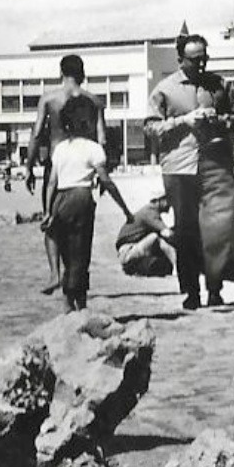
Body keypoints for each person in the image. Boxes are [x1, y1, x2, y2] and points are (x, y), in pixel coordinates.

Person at [145, 32, 234, 310]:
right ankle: (191, 291)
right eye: (194, 60)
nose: (201, 65)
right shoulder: (164, 89)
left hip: (216, 164)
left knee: (219, 228)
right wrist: (183, 121)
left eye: (205, 58)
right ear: (180, 60)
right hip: (179, 166)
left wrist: (223, 120)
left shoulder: (219, 85)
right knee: (186, 230)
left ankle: (215, 288)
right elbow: (150, 128)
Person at [31, 53, 110, 296]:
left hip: (57, 164)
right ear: (82, 74)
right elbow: (102, 138)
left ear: (61, 73)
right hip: (84, 166)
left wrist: (27, 167)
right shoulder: (94, 101)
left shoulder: (49, 98)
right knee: (81, 231)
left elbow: (35, 134)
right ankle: (77, 285)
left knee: (52, 223)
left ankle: (55, 273)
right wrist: (101, 171)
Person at [48, 94, 132, 311]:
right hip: (81, 198)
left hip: (60, 198)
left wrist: (49, 210)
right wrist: (125, 209)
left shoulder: (60, 149)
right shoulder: (93, 149)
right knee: (81, 252)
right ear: (86, 123)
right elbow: (106, 181)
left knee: (67, 251)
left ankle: (72, 299)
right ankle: (75, 301)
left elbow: (51, 183)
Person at [116, 195, 174, 277]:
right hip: (128, 252)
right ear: (159, 200)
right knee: (156, 238)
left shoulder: (148, 211)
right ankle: (177, 268)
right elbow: (167, 233)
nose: (171, 204)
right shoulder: (150, 212)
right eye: (169, 200)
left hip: (129, 251)